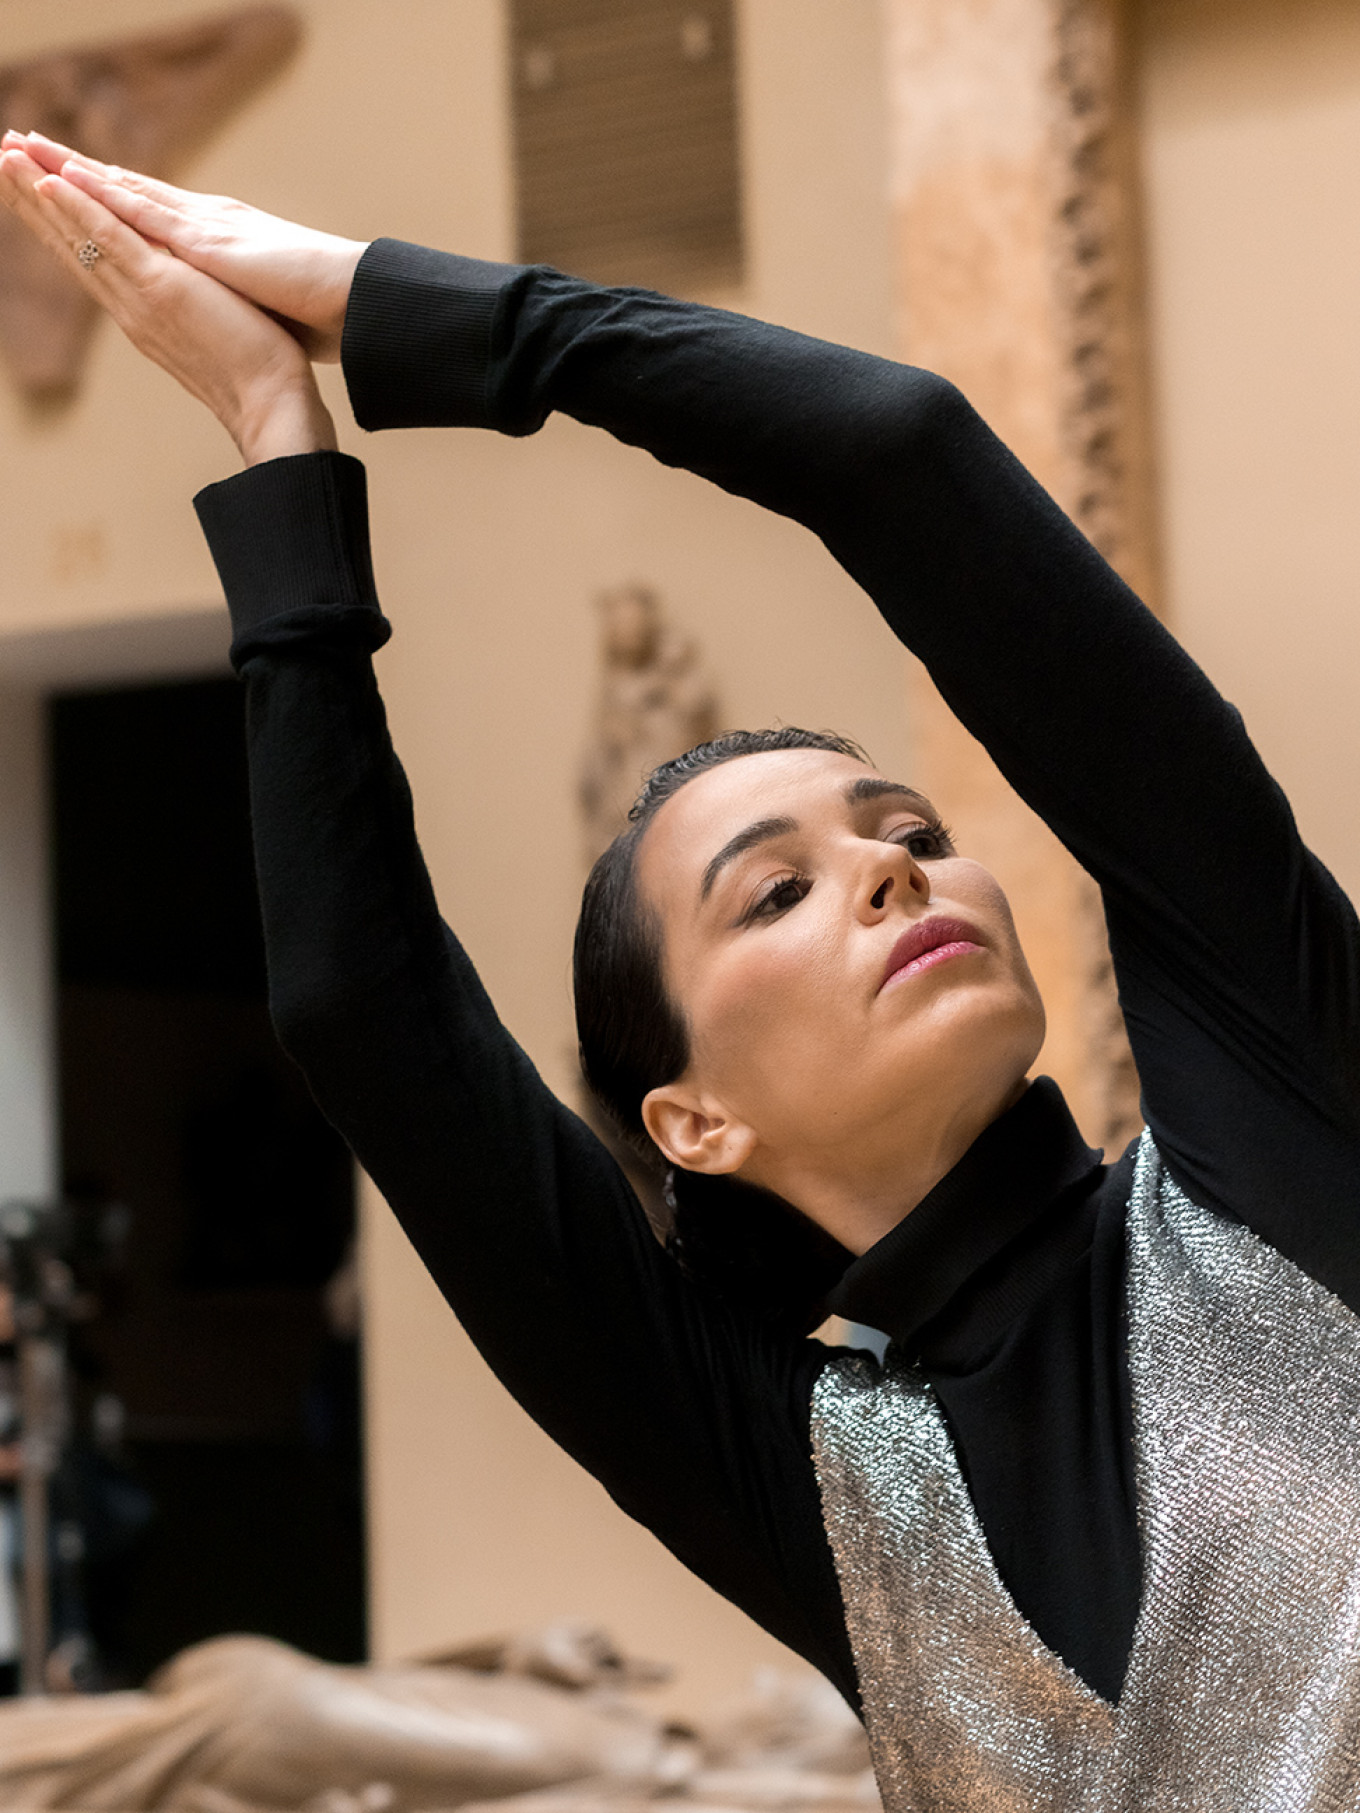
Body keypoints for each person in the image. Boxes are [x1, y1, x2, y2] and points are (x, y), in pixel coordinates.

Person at [4, 130, 1360, 1807]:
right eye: (776, 890)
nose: (887, 867)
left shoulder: (1290, 1142)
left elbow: (906, 455)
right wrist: (278, 445)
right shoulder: (810, 1482)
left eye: (912, 831)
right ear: (692, 1118)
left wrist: (425, 312)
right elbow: (365, 1014)